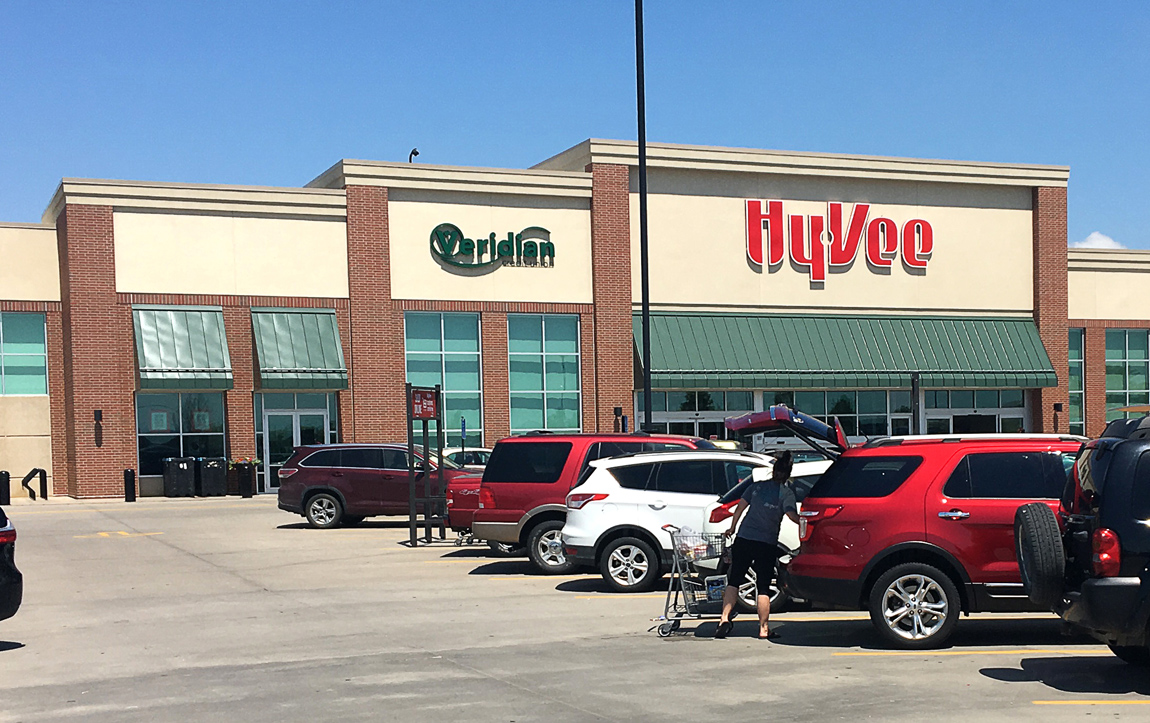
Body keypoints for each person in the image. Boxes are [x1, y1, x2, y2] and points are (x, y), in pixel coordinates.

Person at [714, 451, 799, 640]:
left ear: (773, 471)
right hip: (766, 544)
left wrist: (732, 527)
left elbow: (740, 508)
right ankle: (763, 629)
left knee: (735, 579)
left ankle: (724, 619)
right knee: (763, 586)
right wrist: (806, 523)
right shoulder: (786, 494)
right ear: (788, 474)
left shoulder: (756, 488)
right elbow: (792, 516)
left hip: (744, 538)